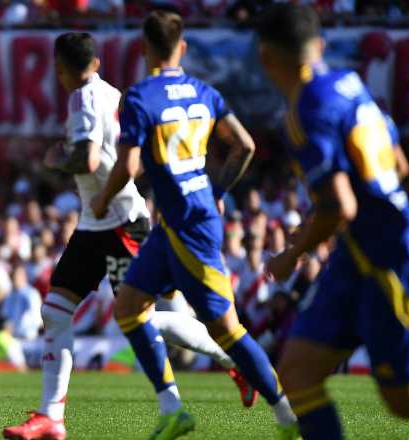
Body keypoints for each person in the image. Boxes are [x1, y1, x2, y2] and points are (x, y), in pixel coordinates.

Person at [3, 32, 255, 440]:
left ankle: (237, 359)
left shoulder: (81, 98)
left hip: (118, 221)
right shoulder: (112, 93)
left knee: (141, 318)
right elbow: (127, 160)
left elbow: (85, 158)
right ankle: (51, 417)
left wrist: (55, 159)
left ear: (59, 69)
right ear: (97, 63)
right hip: (95, 222)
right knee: (56, 309)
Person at [90, 11, 298, 439]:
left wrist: (103, 197)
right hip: (180, 221)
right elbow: (244, 145)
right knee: (129, 307)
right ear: (181, 47)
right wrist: (217, 191)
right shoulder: (204, 92)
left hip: (190, 225)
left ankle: (288, 416)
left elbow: (129, 163)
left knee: (227, 331)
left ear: (144, 48)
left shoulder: (140, 97)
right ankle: (172, 410)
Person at [258, 5, 409, 439]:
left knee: (407, 400)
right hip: (358, 254)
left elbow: (340, 206)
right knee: (298, 373)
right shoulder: (348, 83)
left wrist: (291, 255)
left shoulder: (305, 109)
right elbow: (396, 160)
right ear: (319, 45)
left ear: (265, 58)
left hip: (389, 258)